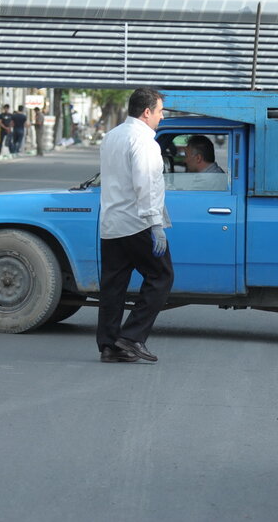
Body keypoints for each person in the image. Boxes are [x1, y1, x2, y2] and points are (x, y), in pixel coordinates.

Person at [96, 87, 174, 364]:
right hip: (137, 222)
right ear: (147, 112)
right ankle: (131, 338)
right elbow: (147, 183)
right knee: (161, 277)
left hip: (111, 222)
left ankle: (109, 345)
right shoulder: (144, 141)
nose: (162, 117)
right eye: (160, 111)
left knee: (113, 286)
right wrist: (156, 224)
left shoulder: (112, 136)